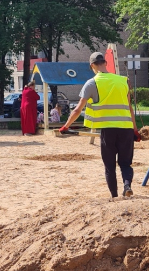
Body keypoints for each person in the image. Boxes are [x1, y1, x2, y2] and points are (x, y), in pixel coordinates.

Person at [60, 52, 142, 198]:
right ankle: (127, 185)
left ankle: (114, 196)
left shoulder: (91, 83)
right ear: (105, 63)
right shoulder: (123, 80)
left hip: (108, 130)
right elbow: (129, 108)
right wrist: (135, 130)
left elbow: (78, 109)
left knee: (109, 166)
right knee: (125, 163)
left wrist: (65, 126)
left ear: (92, 66)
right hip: (126, 128)